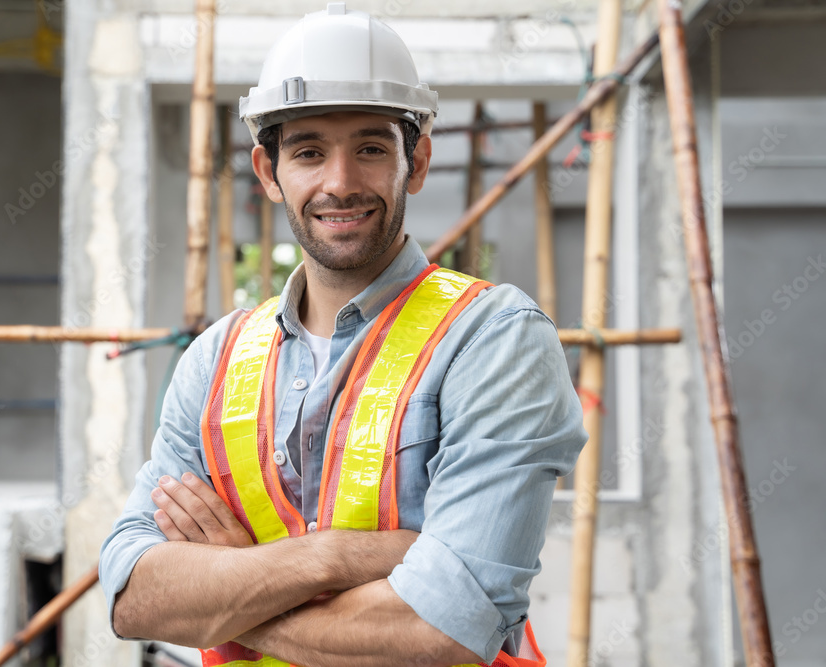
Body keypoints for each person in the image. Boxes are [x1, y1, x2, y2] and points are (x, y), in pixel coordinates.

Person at [100, 4, 587, 666]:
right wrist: (329, 556)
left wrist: (226, 595)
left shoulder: (494, 340)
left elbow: (442, 628)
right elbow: (133, 597)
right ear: (269, 173)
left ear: (415, 163)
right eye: (307, 151)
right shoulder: (216, 358)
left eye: (370, 147)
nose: (340, 182)